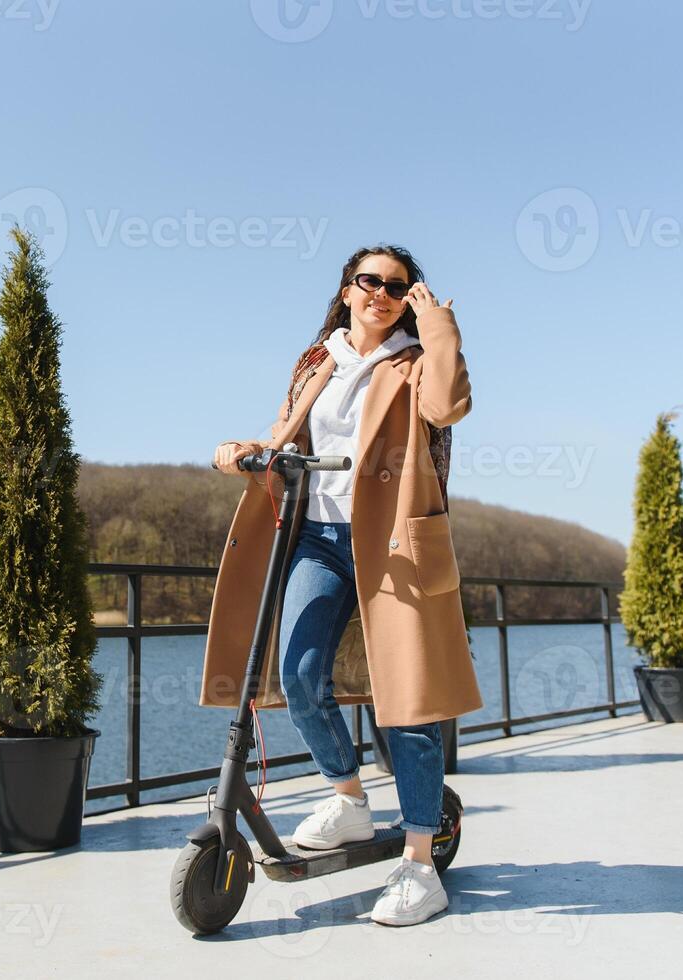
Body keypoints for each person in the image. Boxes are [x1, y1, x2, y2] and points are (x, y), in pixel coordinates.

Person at [212, 244, 468, 927]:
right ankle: (351, 800)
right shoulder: (317, 359)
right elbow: (288, 437)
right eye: (370, 282)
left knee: (408, 705)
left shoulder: (418, 359)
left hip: (393, 543)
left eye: (398, 286)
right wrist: (247, 452)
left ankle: (420, 865)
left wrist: (438, 326)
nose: (381, 294)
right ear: (347, 288)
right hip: (318, 538)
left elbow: (448, 407)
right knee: (297, 674)